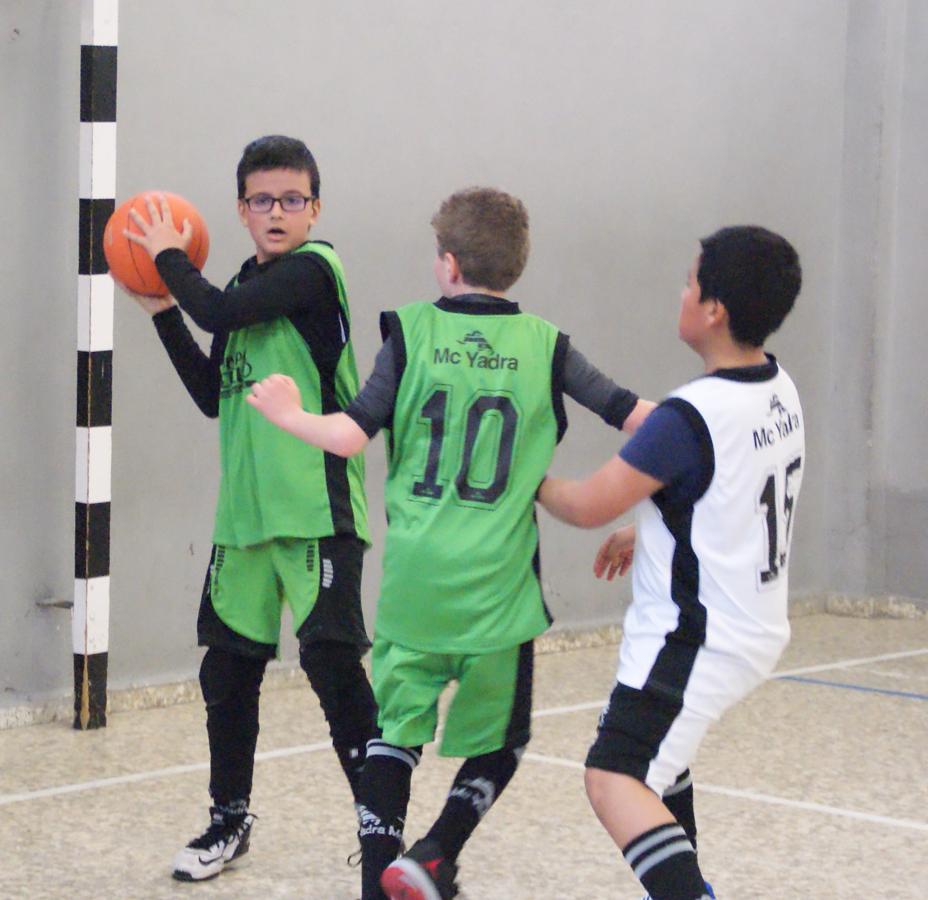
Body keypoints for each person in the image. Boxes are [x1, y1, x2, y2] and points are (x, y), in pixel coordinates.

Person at [246, 186, 653, 900]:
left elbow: (347, 436)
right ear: (514, 267)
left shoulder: (408, 334)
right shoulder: (548, 347)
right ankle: (435, 853)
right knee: (502, 743)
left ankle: (380, 883)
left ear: (448, 263)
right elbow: (645, 421)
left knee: (393, 738)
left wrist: (289, 413)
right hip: (497, 589)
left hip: (414, 583)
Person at [122, 135, 379, 882]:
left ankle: (381, 830)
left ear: (315, 208)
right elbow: (212, 395)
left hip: (315, 513)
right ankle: (227, 822)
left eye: (291, 199)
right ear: (241, 209)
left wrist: (168, 255)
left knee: (334, 672)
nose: (276, 211)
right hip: (245, 522)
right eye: (261, 200)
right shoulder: (239, 285)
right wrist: (164, 312)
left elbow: (220, 306)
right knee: (227, 678)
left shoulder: (313, 272)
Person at [537, 225, 804, 900]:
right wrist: (653, 527)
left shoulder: (689, 415)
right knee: (663, 765)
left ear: (712, 308)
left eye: (690, 281)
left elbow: (588, 504)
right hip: (751, 624)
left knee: (614, 776)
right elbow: (728, 493)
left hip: (698, 638)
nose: (680, 292)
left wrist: (521, 479)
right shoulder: (780, 391)